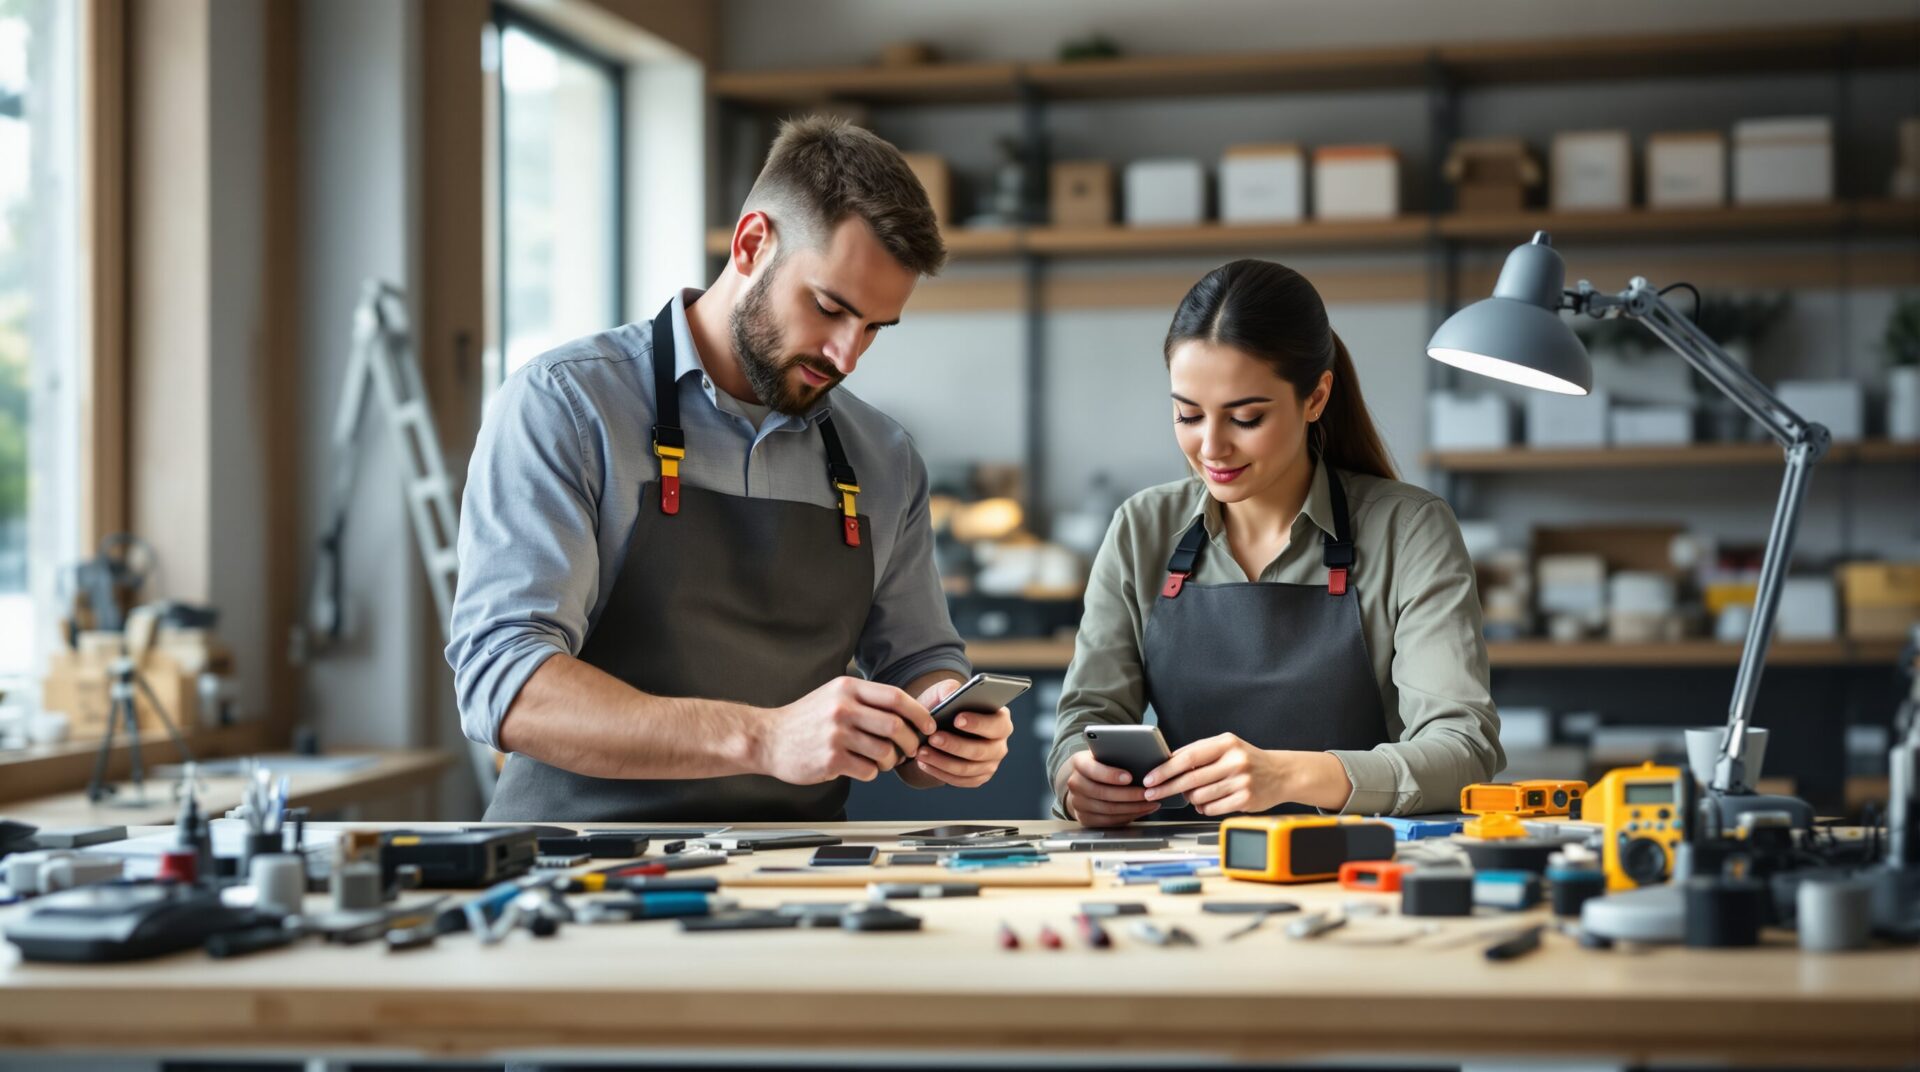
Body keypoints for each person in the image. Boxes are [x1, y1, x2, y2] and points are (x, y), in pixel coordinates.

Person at [449, 116, 1013, 821]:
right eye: (830, 307)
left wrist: (945, 725)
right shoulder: (566, 405)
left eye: (874, 327)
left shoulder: (885, 457)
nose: (847, 355)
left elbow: (918, 662)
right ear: (751, 244)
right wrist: (762, 738)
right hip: (578, 863)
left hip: (793, 868)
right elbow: (504, 681)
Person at [1048, 259, 1503, 825]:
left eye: (1245, 418)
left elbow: (1463, 748)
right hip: (1178, 863)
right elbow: (1085, 720)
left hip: (1356, 860)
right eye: (1188, 415)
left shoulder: (1409, 529)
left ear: (1316, 398)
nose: (1211, 448)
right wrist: (1077, 782)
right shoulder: (1142, 527)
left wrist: (1287, 776)